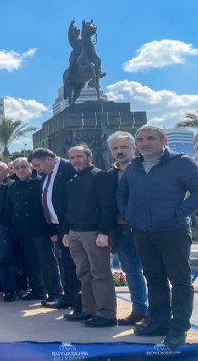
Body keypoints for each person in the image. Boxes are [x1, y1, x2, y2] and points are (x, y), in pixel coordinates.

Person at [116, 125, 198, 347]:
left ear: (163, 141)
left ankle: (178, 328)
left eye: (151, 138)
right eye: (141, 139)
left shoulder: (181, 163)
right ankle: (159, 322)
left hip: (174, 231)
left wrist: (179, 213)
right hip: (142, 232)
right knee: (154, 279)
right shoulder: (134, 167)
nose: (145, 143)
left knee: (180, 281)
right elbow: (121, 193)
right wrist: (128, 215)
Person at [61, 145, 117, 328]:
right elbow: (68, 209)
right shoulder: (72, 180)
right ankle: (88, 310)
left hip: (94, 233)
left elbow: (108, 206)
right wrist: (66, 231)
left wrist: (104, 232)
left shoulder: (100, 176)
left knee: (100, 274)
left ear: (89, 157)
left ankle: (106, 314)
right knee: (83, 274)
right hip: (75, 232)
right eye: (72, 157)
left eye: (79, 156)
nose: (75, 160)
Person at [28, 148, 81, 312]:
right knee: (66, 263)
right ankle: (69, 297)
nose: (36, 169)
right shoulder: (44, 174)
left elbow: (72, 199)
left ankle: (79, 301)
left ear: (49, 159)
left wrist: (66, 227)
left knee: (75, 264)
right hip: (57, 226)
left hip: (72, 224)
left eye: (38, 165)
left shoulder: (68, 168)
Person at [4, 157, 63, 302]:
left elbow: (49, 206)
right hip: (22, 230)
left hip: (40, 228)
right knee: (31, 262)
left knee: (47, 262)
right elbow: (8, 209)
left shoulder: (40, 182)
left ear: (31, 168)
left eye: (24, 167)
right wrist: (11, 230)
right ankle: (38, 290)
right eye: (17, 168)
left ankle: (55, 292)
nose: (20, 170)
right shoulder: (11, 186)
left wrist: (53, 229)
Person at [106, 131, 148, 326]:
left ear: (134, 148)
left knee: (153, 271)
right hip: (121, 229)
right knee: (131, 271)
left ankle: (157, 312)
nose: (119, 151)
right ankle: (139, 310)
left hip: (146, 228)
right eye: (115, 148)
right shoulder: (109, 174)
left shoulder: (146, 169)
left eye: (123, 147)